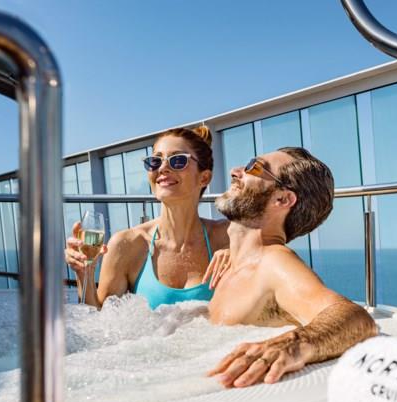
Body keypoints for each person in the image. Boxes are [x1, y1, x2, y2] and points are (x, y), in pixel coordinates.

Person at [207, 147, 378, 388]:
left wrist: (293, 343)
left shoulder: (274, 263)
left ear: (282, 199)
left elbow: (356, 318)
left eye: (254, 167)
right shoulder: (236, 263)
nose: (235, 171)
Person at [64, 126, 230, 308]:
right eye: (155, 161)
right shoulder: (127, 245)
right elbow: (100, 319)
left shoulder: (227, 238)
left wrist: (244, 254)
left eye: (178, 160)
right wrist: (85, 274)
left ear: (204, 178)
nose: (163, 168)